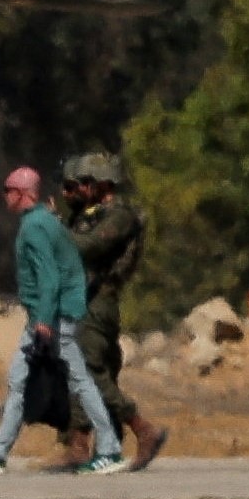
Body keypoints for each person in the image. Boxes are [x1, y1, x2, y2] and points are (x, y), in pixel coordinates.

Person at [0, 165, 121, 475]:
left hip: (54, 318)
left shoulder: (34, 227)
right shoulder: (43, 221)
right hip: (49, 315)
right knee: (19, 380)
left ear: (20, 194)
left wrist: (44, 319)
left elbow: (49, 276)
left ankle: (109, 448)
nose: (4, 196)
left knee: (79, 381)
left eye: (7, 190)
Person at [57, 152, 168, 474]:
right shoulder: (86, 215)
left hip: (99, 301)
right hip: (81, 299)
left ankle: (143, 428)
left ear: (103, 184)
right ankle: (78, 445)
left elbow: (89, 247)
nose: (78, 189)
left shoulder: (119, 217)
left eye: (85, 183)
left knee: (91, 372)